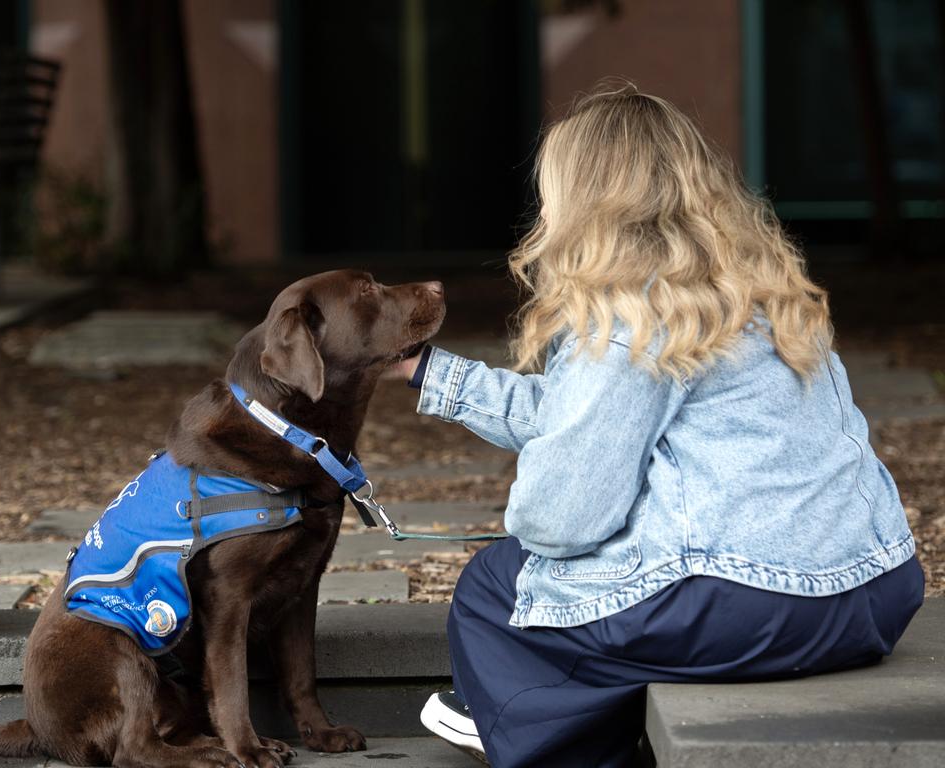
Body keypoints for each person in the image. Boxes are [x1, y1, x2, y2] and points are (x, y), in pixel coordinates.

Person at [384, 84, 924, 768]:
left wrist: (544, 514)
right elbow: (581, 417)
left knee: (497, 586)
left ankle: (536, 733)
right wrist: (431, 375)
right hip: (874, 590)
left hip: (748, 605)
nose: (542, 208)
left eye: (550, 190)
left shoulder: (624, 314)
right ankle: (547, 719)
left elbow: (564, 516)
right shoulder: (761, 287)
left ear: (586, 200)